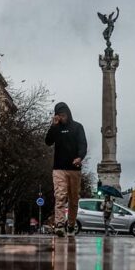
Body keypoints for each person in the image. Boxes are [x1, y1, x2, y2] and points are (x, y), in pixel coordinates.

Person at [45, 102, 87, 238]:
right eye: (59, 115)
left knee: (74, 199)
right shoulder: (56, 128)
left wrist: (80, 157)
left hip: (74, 169)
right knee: (60, 196)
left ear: (68, 114)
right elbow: (48, 141)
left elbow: (83, 144)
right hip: (59, 169)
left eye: (64, 115)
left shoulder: (77, 127)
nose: (62, 117)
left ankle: (71, 225)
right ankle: (59, 225)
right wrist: (54, 125)